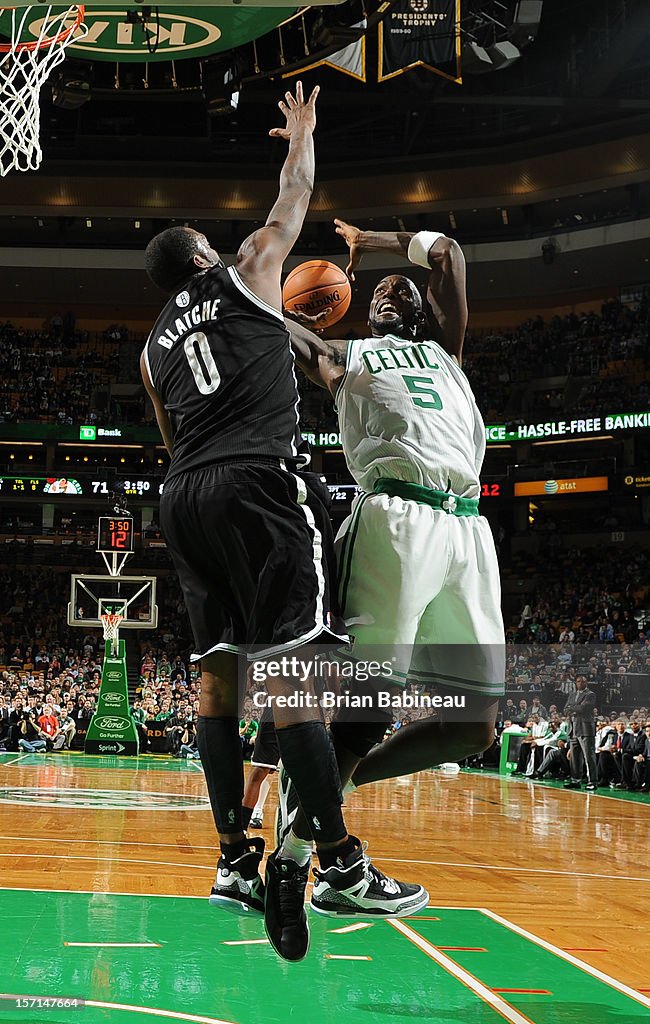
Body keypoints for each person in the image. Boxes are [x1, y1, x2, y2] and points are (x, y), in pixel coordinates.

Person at [141, 83, 426, 963]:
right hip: (257, 486)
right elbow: (294, 196)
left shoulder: (151, 347)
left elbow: (177, 427)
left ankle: (233, 854)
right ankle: (335, 857)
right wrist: (301, 133)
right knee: (301, 676)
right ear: (201, 256)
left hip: (182, 494)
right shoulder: (250, 266)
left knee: (218, 687)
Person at [278, 218, 504, 856]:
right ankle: (301, 855)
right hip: (396, 519)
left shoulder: (448, 350)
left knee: (473, 726)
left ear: (425, 313)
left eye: (405, 291)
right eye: (381, 291)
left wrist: (376, 242)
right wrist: (257, 294)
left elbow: (451, 254)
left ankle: (327, 789)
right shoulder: (346, 357)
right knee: (371, 701)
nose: (391, 292)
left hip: (468, 527)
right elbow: (298, 343)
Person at [563, 675, 598, 790]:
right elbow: (565, 710)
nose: (580, 683)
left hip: (585, 729)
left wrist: (572, 708)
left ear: (586, 682)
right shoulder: (572, 694)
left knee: (589, 757)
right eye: (578, 681)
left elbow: (584, 709)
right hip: (573, 729)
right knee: (575, 758)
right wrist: (575, 708)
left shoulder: (590, 694)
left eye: (583, 681)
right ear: (575, 683)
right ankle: (575, 780)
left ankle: (592, 781)